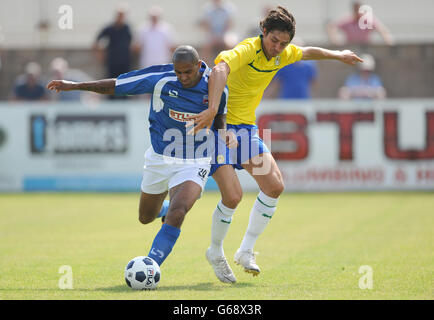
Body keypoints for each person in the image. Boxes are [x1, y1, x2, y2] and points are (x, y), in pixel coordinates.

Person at [185, 6, 363, 283]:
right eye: (273, 41)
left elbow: (308, 52)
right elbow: (220, 68)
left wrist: (337, 55)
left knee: (274, 186)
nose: (278, 48)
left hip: (245, 129)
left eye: (283, 44)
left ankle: (246, 250)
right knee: (232, 197)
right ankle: (216, 251)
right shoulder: (247, 49)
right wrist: (212, 112)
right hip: (219, 129)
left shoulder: (283, 52)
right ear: (263, 32)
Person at [46, 46, 232, 270]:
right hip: (159, 158)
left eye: (188, 72)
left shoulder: (216, 87)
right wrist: (76, 86)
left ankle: (151, 266)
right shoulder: (161, 79)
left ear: (199, 65)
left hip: (195, 161)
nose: (182, 77)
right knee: (145, 216)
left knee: (179, 211)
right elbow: (116, 85)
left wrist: (224, 136)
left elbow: (220, 116)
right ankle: (162, 210)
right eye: (178, 72)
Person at [94, 4, 132, 99]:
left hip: (124, 62)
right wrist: (99, 54)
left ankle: (124, 101)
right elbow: (97, 40)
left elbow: (131, 43)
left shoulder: (127, 28)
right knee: (111, 83)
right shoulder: (109, 28)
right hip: (112, 61)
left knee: (125, 82)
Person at [327, 1, 394, 46]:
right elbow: (332, 27)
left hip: (365, 47)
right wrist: (334, 40)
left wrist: (388, 41)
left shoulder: (368, 20)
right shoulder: (347, 20)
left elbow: (381, 29)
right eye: (355, 9)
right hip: (351, 47)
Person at [199, 0, 237, 66]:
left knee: (230, 45)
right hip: (212, 34)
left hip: (225, 33)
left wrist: (221, 37)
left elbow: (229, 24)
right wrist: (214, 36)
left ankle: (232, 65)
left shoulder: (229, 7)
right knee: (206, 47)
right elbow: (206, 24)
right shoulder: (207, 8)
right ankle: (204, 67)